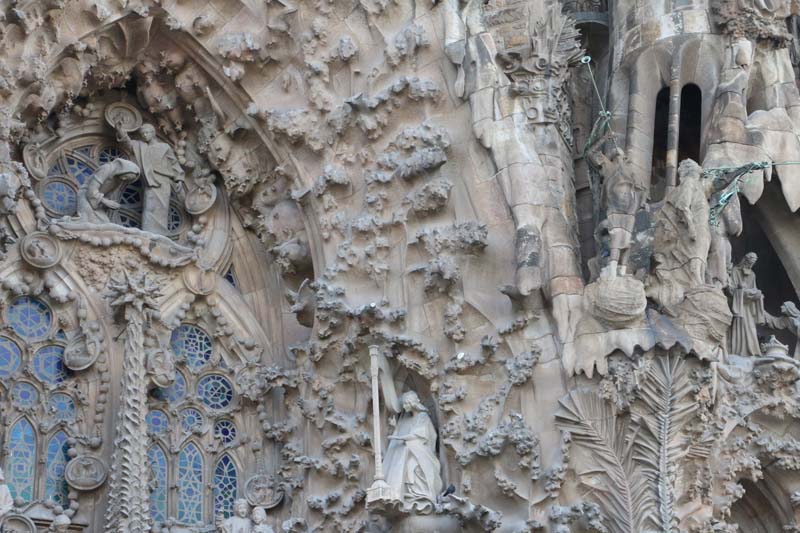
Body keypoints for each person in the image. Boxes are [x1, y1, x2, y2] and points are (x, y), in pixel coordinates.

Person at [115, 122, 184, 234]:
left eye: (146, 133)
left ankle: (161, 233)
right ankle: (150, 233)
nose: (144, 135)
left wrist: (179, 178)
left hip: (163, 180)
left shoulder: (164, 147)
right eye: (142, 134)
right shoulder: (141, 146)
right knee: (150, 206)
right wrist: (119, 129)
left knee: (162, 208)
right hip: (150, 182)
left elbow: (174, 162)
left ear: (153, 133)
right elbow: (127, 142)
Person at [382, 391, 443, 513]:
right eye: (404, 404)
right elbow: (407, 434)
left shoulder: (423, 417)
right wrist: (395, 429)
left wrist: (397, 437)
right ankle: (409, 496)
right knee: (407, 464)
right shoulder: (407, 419)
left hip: (422, 452)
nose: (404, 407)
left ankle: (422, 495)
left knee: (413, 465)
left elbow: (417, 435)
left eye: (406, 403)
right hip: (412, 450)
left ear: (412, 403)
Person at [76, 158, 140, 223]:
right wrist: (105, 201)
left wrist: (111, 203)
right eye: (125, 176)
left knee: (104, 222)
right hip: (85, 197)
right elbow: (91, 190)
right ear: (123, 170)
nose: (123, 179)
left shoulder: (119, 179)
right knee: (89, 221)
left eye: (126, 180)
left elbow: (109, 194)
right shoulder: (106, 169)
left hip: (98, 202)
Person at [729, 253, 766, 356]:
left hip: (748, 306)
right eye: (749, 263)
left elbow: (753, 288)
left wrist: (755, 293)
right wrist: (740, 289)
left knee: (751, 328)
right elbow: (730, 289)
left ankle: (752, 350)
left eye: (752, 264)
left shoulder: (752, 274)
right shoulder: (735, 271)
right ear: (745, 260)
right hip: (739, 305)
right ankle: (739, 351)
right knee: (741, 325)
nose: (750, 266)